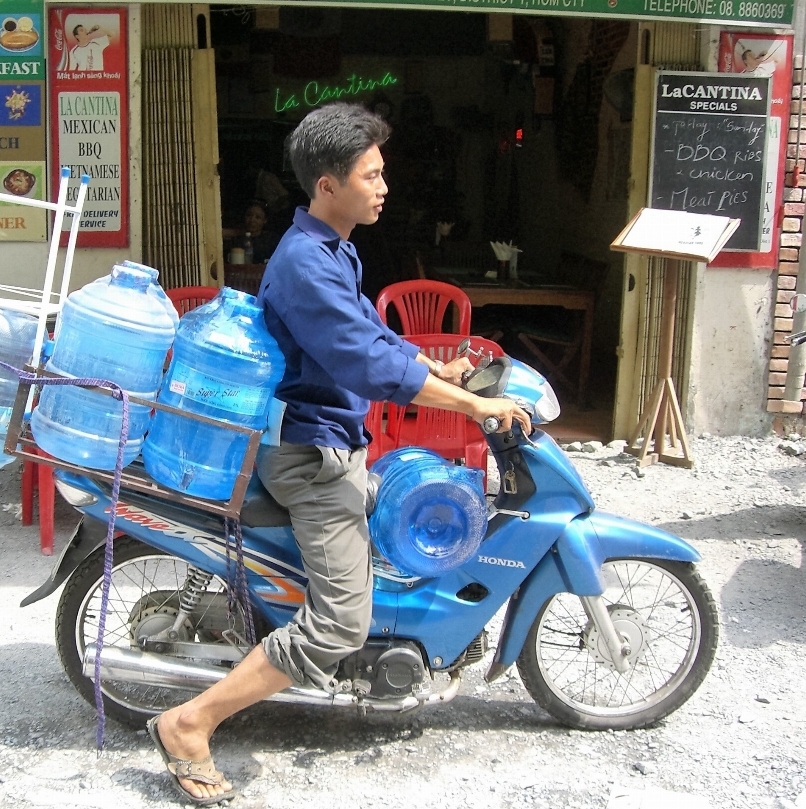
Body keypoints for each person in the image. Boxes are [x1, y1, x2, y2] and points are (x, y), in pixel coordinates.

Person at [145, 102, 531, 804]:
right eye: (371, 174)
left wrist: (431, 362)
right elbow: (362, 361)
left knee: (408, 510)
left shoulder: (331, 248)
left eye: (382, 173)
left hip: (334, 442)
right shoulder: (306, 264)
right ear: (328, 183)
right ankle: (190, 722)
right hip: (309, 456)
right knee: (339, 620)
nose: (384, 187)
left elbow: (368, 333)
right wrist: (475, 406)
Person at [222, 200, 279, 264]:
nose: (252, 220)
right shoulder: (236, 238)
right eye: (249, 215)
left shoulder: (271, 240)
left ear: (264, 220)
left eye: (258, 217)